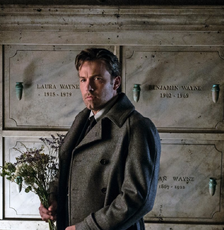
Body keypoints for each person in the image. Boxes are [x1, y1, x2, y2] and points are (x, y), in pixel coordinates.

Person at [39, 48, 161, 230]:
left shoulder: (137, 127)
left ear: (115, 82)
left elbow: (137, 198)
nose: (88, 87)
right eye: (83, 79)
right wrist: (52, 199)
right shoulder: (82, 121)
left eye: (97, 79)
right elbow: (71, 172)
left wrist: (88, 227)